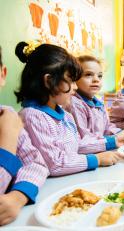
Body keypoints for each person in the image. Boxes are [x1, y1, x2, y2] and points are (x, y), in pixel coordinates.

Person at [15, 42, 121, 177]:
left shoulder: (64, 115)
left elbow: (78, 145)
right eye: (71, 81)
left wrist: (113, 142)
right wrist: (97, 159)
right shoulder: (32, 116)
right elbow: (54, 164)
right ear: (49, 81)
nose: (75, 87)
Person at [0, 45, 49, 225]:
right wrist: (7, 143)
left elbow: (36, 163)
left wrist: (18, 196)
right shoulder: (12, 122)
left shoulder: (5, 115)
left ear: (2, 74)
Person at [66, 55, 124, 154]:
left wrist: (122, 133)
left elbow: (107, 128)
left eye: (99, 76)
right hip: (89, 155)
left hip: (101, 150)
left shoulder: (98, 103)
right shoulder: (75, 104)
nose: (96, 79)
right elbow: (83, 141)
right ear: (74, 79)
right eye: (88, 75)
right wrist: (113, 141)